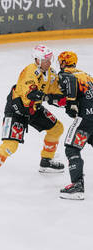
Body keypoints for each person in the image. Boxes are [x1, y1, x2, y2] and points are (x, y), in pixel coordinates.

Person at [0, 45, 66, 191]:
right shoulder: (30, 71)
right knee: (10, 145)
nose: (48, 62)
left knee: (57, 128)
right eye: (45, 59)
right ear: (37, 60)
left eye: (49, 58)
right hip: (16, 110)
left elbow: (56, 91)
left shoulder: (51, 73)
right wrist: (49, 98)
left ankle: (46, 161)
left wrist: (67, 98)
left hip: (33, 109)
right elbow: (31, 94)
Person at [57, 51, 93, 200]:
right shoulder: (86, 75)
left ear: (64, 62)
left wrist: (71, 102)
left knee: (72, 148)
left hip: (85, 118)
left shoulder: (66, 73)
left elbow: (70, 81)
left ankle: (77, 185)